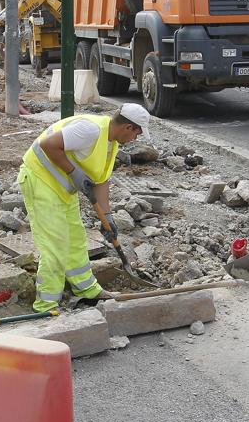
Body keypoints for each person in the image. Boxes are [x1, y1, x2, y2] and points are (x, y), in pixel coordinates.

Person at [18, 103, 151, 312]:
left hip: (63, 188)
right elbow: (47, 144)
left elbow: (102, 181)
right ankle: (46, 305)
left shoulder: (110, 142)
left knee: (76, 239)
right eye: (137, 134)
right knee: (56, 244)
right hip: (40, 180)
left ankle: (87, 289)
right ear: (128, 127)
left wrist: (107, 218)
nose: (135, 139)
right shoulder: (91, 130)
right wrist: (73, 172)